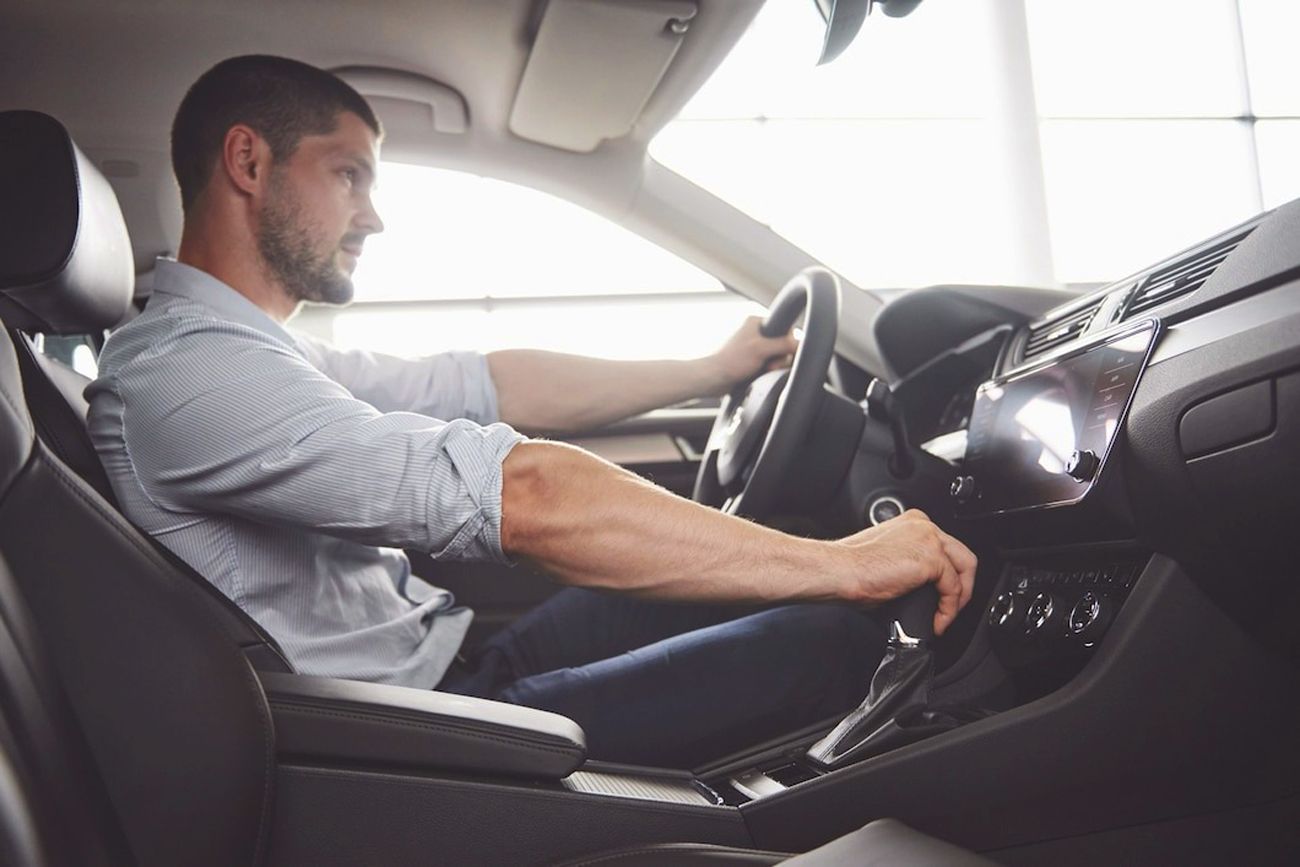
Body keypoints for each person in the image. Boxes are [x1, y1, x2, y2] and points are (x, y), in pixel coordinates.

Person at [87, 55, 976, 767]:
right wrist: (844, 564)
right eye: (349, 175)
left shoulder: (255, 353)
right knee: (830, 640)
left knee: (773, 568)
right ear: (248, 162)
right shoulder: (189, 373)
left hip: (450, 667)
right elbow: (529, 495)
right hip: (419, 737)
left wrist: (713, 368)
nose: (373, 217)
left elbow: (494, 386)